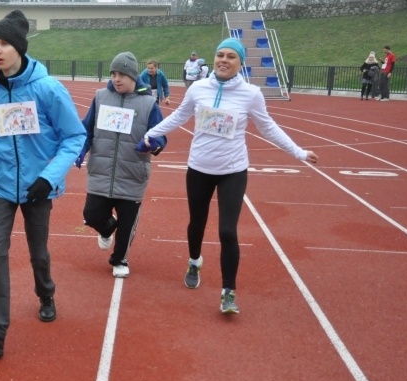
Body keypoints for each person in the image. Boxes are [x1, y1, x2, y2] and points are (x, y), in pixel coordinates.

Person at [143, 37, 319, 315]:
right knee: (196, 223)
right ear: (213, 59)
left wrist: (298, 152)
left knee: (227, 230)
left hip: (233, 170)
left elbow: (268, 127)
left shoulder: (251, 94)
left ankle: (228, 291)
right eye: (220, 55)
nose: (224, 60)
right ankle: (194, 260)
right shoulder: (198, 88)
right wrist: (150, 134)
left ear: (240, 63)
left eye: (231, 57)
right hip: (199, 167)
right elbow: (178, 116)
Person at [0, 9, 87, 358]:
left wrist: (49, 177)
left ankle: (45, 292)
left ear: (19, 48)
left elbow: (74, 137)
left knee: (38, 253)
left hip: (37, 188)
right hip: (1, 184)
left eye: (3, 44)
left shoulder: (47, 89)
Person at [76, 52, 167, 278]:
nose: (117, 79)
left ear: (134, 76)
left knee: (126, 225)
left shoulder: (148, 103)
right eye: (114, 74)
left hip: (132, 172)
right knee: (92, 214)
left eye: (122, 75)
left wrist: (153, 144)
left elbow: (160, 135)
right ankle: (107, 228)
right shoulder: (100, 97)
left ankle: (120, 259)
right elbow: (86, 128)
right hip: (101, 170)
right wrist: (81, 148)